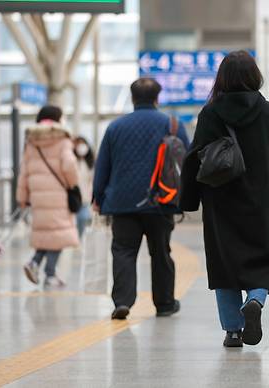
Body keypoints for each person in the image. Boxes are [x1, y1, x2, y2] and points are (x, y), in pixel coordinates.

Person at [179, 51, 269, 348]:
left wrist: (188, 200)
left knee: (224, 266)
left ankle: (233, 331)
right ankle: (255, 301)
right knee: (261, 258)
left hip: (220, 203)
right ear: (254, 76)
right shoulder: (268, 111)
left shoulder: (210, 113)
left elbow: (194, 158)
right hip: (260, 200)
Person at [93, 78, 181, 320]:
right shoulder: (172, 125)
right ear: (157, 98)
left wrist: (98, 197)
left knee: (123, 251)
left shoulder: (115, 127)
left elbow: (103, 167)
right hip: (162, 202)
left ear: (132, 98)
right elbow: (186, 162)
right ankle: (164, 303)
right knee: (161, 252)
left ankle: (122, 301)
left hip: (122, 203)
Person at [19, 105, 79, 288]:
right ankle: (49, 274)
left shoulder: (31, 140)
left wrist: (22, 197)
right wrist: (73, 184)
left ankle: (35, 263)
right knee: (58, 234)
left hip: (37, 195)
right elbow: (69, 165)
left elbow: (24, 172)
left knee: (48, 232)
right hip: (58, 194)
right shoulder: (62, 138)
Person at [73, 136, 95, 238]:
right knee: (76, 219)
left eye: (83, 143)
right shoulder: (72, 161)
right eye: (78, 144)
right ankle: (77, 239)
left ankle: (79, 239)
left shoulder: (90, 163)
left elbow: (92, 179)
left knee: (83, 217)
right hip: (74, 197)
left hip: (86, 196)